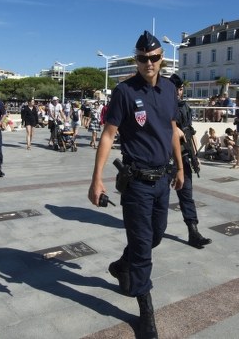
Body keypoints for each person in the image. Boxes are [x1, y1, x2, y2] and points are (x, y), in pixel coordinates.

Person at [87, 31, 184, 339]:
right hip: (137, 182)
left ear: (162, 59)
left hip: (162, 179)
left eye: (154, 58)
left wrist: (180, 168)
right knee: (143, 248)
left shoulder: (169, 89)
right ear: (136, 61)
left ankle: (120, 265)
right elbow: (108, 134)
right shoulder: (125, 92)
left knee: (155, 235)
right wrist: (96, 180)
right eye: (142, 59)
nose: (149, 64)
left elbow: (172, 129)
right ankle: (145, 313)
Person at [170, 74, 212, 249]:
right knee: (157, 197)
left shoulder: (184, 107)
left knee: (187, 195)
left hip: (185, 155)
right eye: (176, 89)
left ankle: (193, 231)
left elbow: (190, 132)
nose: (179, 92)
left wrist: (195, 156)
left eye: (180, 89)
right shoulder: (163, 107)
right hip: (165, 157)